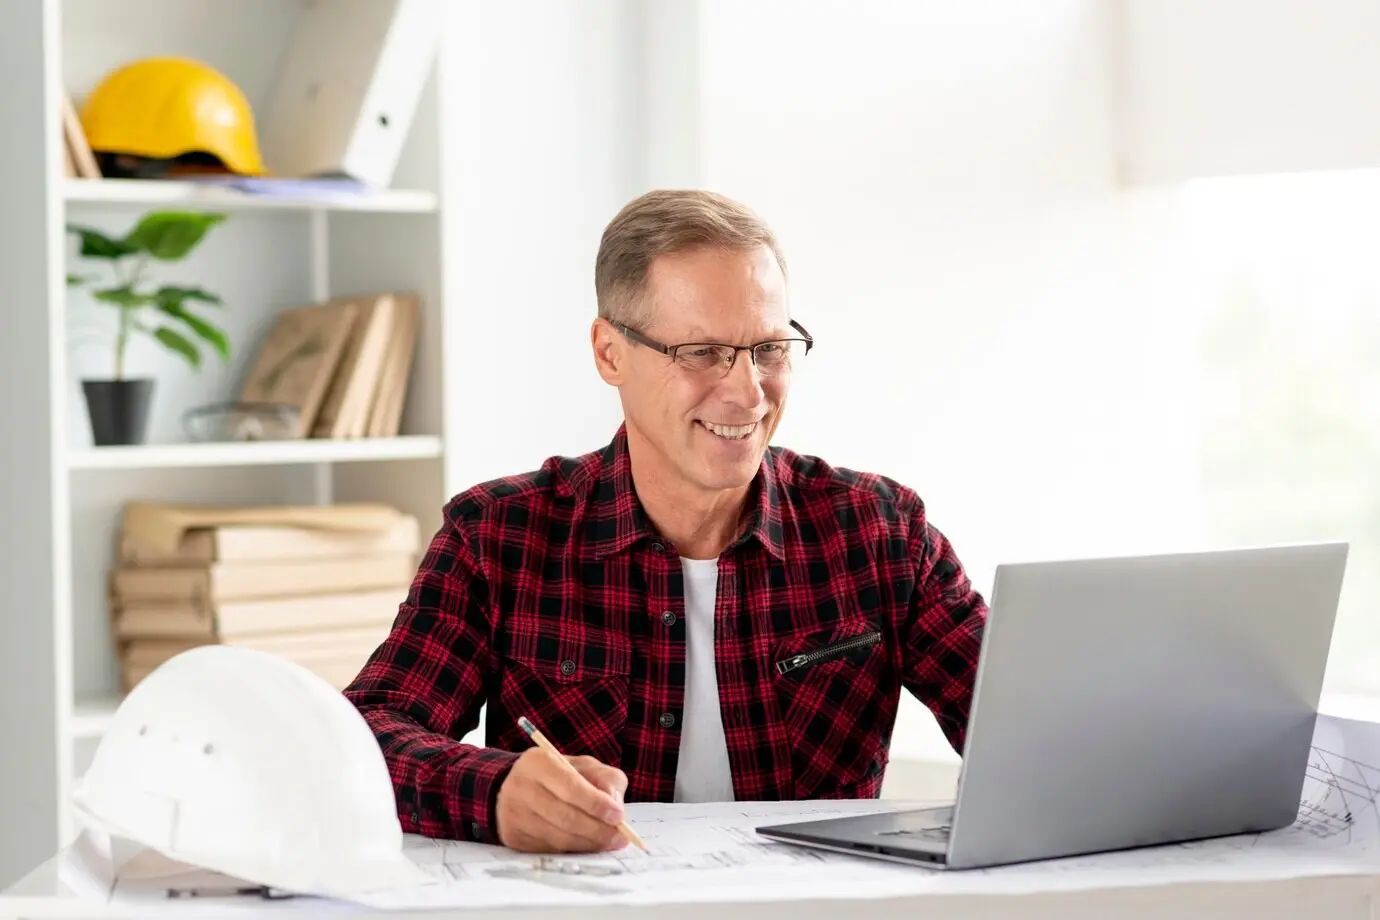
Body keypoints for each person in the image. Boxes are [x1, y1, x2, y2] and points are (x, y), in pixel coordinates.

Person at [343, 189, 988, 855]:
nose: (747, 391)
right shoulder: (498, 536)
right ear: (610, 353)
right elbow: (365, 733)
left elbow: (1025, 731)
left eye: (768, 348)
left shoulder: (881, 534)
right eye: (703, 352)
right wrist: (497, 790)